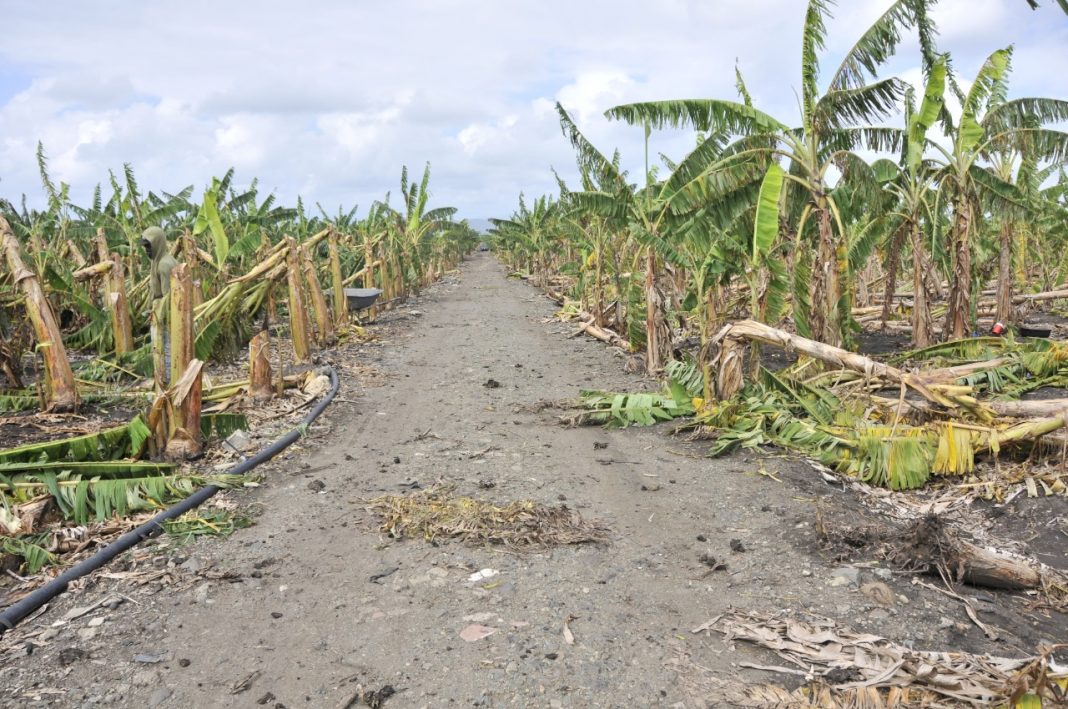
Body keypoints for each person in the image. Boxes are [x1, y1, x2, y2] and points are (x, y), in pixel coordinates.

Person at [141, 226, 178, 299]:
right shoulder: (160, 260)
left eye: (148, 246)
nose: (146, 250)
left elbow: (167, 298)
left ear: (157, 244)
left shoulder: (163, 265)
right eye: (145, 246)